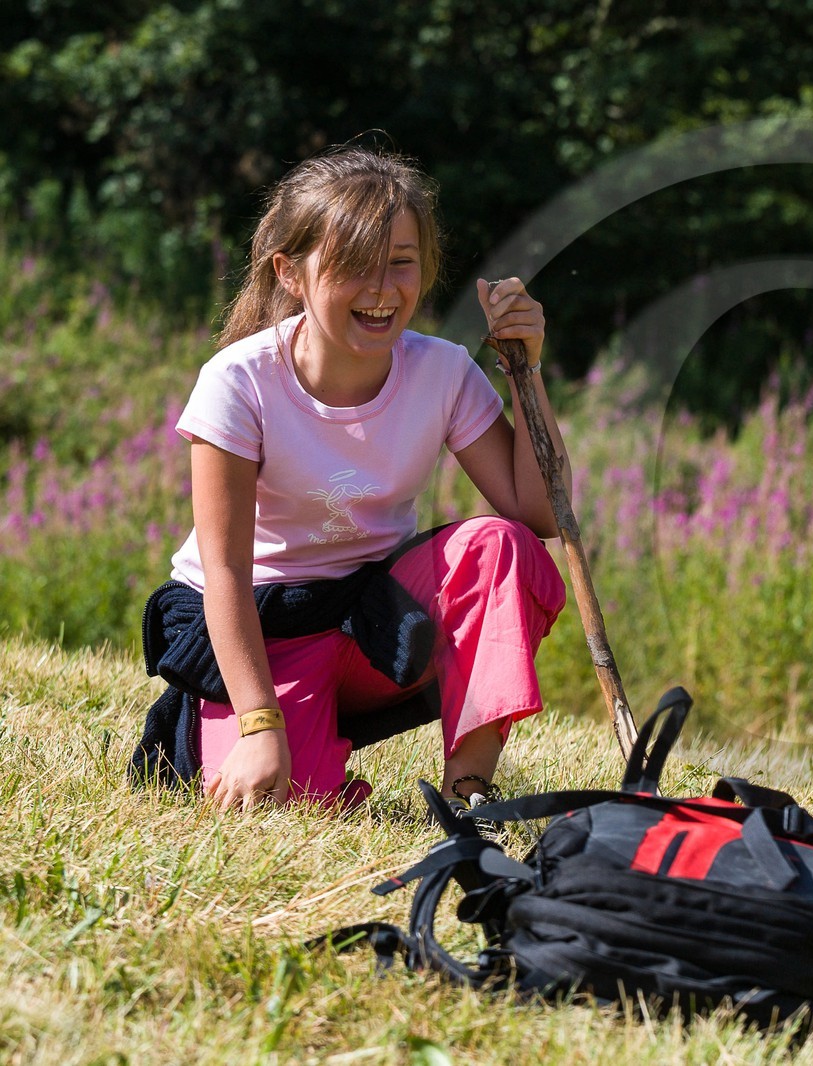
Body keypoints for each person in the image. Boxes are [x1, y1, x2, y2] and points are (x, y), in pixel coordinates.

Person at [132, 145, 568, 815]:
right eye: (353, 265)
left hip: (373, 619)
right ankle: (228, 723)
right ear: (292, 273)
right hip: (263, 629)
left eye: (401, 263)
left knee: (503, 548)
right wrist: (258, 724)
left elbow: (535, 515)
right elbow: (222, 572)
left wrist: (524, 372)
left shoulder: (444, 371)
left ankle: (469, 793)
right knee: (285, 802)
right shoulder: (239, 381)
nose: (381, 289)